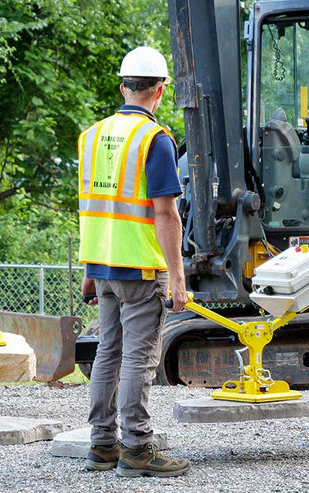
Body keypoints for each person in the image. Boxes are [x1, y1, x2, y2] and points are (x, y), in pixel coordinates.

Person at [78, 46, 190, 477]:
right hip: (140, 267)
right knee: (139, 359)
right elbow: (166, 213)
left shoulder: (91, 136)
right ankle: (138, 447)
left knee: (108, 352)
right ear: (159, 91)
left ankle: (102, 445)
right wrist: (177, 278)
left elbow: (91, 207)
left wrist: (90, 270)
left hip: (103, 265)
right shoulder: (154, 140)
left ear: (124, 86)